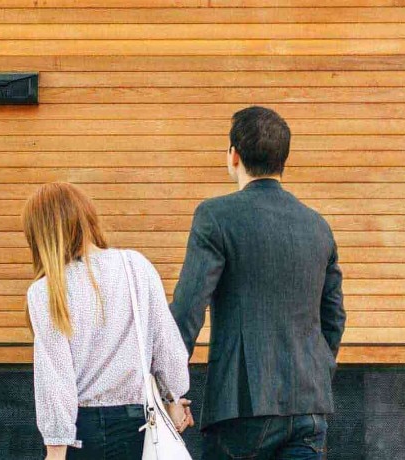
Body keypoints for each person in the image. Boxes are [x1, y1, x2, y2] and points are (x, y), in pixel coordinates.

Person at [170, 106, 346, 460]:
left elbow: (188, 310)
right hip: (309, 405)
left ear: (234, 156)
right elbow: (334, 317)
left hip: (241, 406)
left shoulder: (215, 217)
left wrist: (167, 388)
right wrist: (316, 371)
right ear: (283, 160)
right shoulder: (318, 226)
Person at [23, 182, 193, 460]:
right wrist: (174, 399)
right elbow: (167, 346)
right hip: (138, 426)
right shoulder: (136, 266)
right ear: (87, 216)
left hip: (81, 432)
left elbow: (55, 381)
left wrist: (55, 452)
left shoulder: (45, 291)